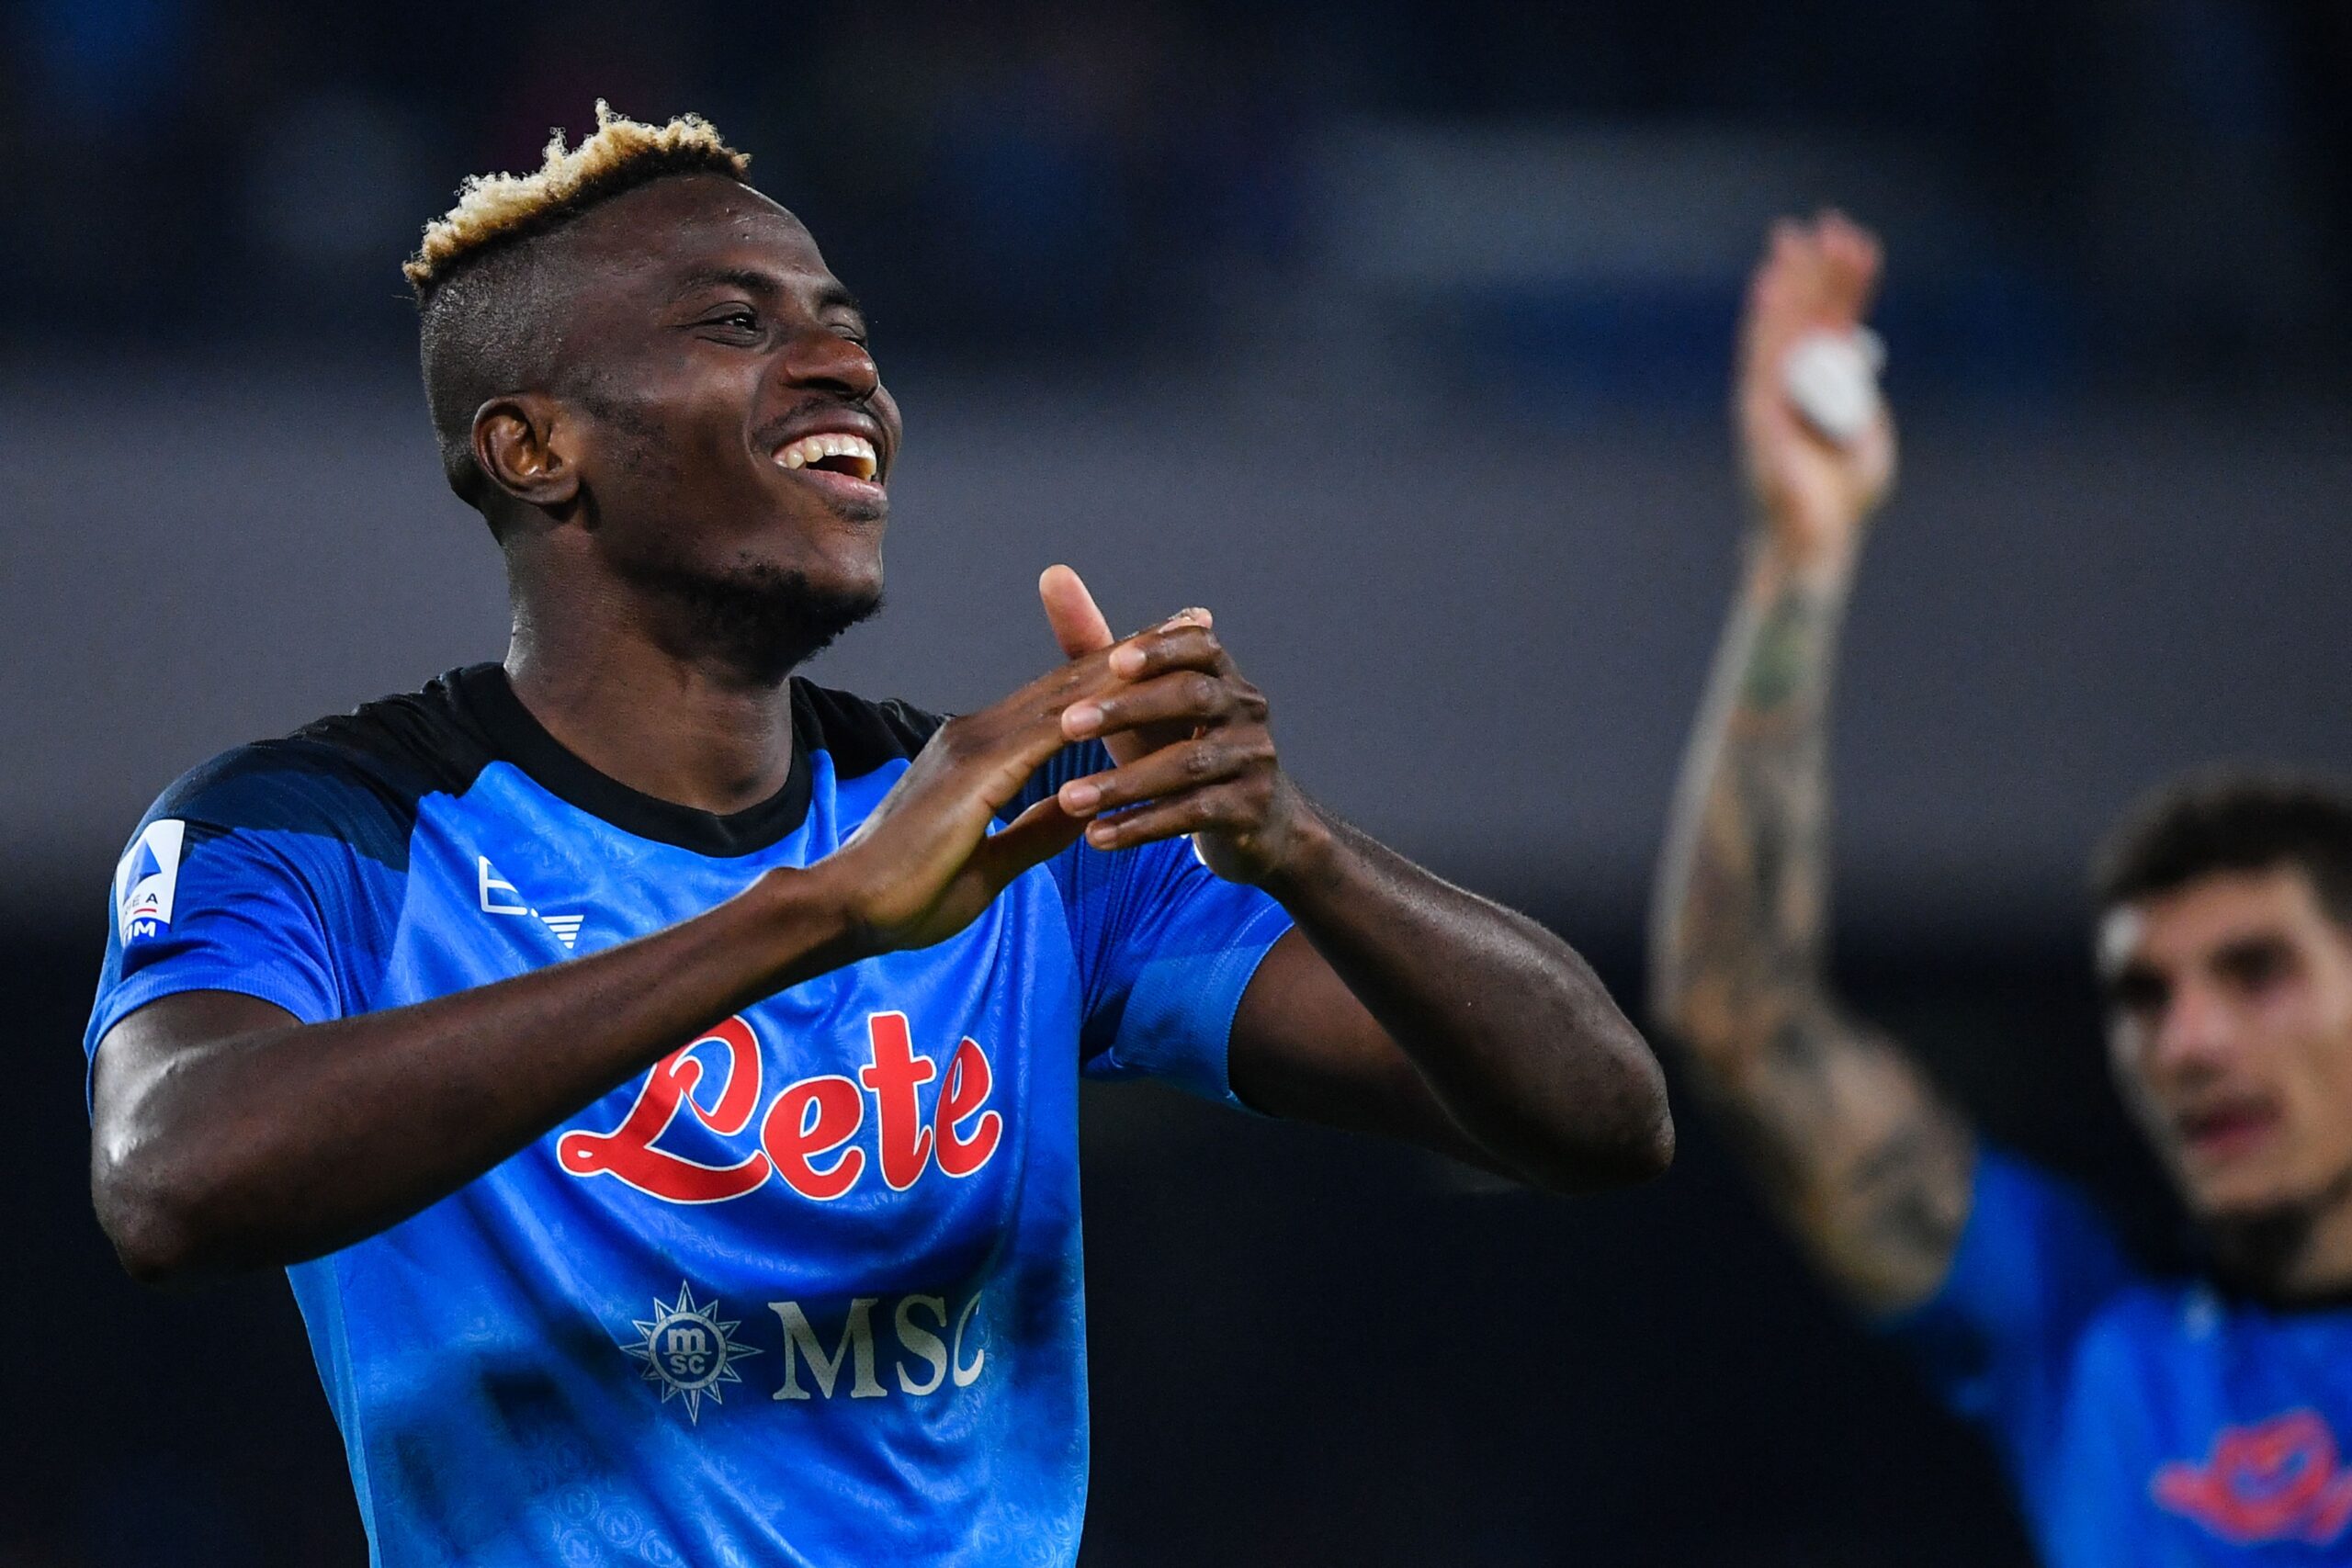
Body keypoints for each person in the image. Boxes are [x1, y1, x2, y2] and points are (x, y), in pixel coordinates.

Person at [84, 104, 1669, 1566]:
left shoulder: (1027, 829)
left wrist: (1297, 842)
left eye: (846, 327)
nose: (842, 365)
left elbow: (1601, 1117)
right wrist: (818, 915)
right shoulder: (321, 830)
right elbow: (174, 1179)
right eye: (735, 323)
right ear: (534, 448)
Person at [1651, 211, 2352, 1563]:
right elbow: (1743, 1017)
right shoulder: (2091, 1338)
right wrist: (1800, 554)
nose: (2190, 1042)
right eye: (2145, 997)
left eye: (2256, 972)